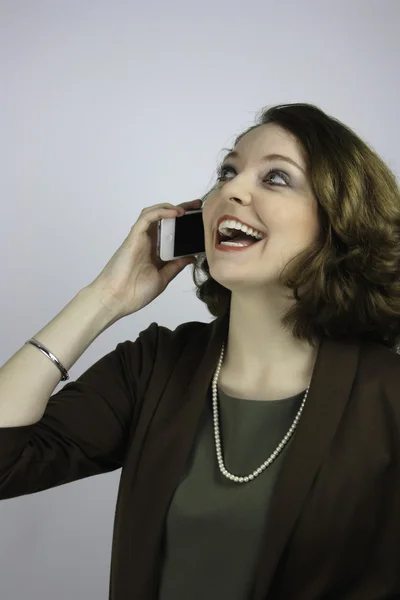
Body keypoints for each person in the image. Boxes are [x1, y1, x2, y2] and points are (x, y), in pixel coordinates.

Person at [1, 102, 400, 600]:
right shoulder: (154, 367)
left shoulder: (388, 395)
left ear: (339, 224)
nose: (231, 189)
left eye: (276, 177)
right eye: (227, 172)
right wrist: (104, 298)